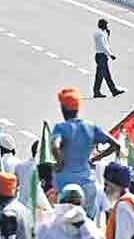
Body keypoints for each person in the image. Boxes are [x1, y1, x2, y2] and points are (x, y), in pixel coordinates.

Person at [51, 88, 120, 222]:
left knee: (66, 227)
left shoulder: (61, 127)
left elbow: (55, 146)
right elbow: (115, 145)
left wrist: (60, 163)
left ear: (63, 108)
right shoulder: (90, 126)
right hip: (88, 184)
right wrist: (94, 159)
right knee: (87, 225)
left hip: (66, 186)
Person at [92, 18, 125, 98]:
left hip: (100, 56)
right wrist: (110, 55)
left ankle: (97, 92)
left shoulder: (100, 33)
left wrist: (107, 35)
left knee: (100, 75)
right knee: (106, 75)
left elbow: (104, 44)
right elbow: (103, 46)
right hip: (102, 56)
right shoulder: (100, 34)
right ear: (102, 25)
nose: (106, 26)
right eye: (105, 25)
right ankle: (113, 91)